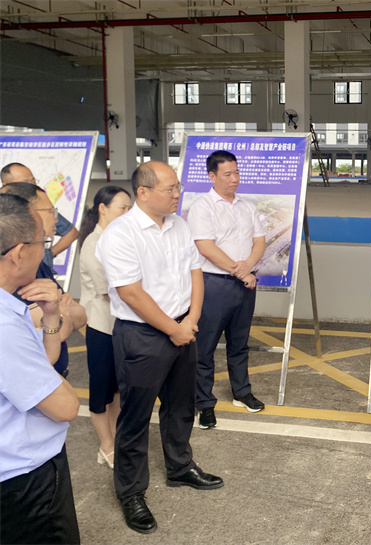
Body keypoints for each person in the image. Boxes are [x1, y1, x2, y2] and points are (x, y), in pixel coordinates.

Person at [96, 161, 223, 535]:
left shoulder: (180, 225)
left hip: (184, 327)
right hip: (143, 335)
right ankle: (131, 492)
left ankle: (180, 468)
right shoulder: (120, 234)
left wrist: (190, 321)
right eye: (170, 188)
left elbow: (194, 273)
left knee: (181, 405)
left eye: (178, 187)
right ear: (143, 192)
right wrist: (173, 329)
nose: (177, 193)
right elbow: (131, 293)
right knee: (135, 418)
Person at [0, 193, 81, 545]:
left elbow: (43, 360)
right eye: (43, 242)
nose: (45, 248)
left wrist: (50, 316)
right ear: (18, 252)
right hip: (23, 483)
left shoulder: (11, 308)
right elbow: (65, 407)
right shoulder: (3, 326)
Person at [187, 149, 266, 429]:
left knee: (239, 342)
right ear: (212, 176)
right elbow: (205, 246)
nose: (234, 179)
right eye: (227, 174)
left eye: (236, 172)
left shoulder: (247, 206)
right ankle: (204, 403)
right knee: (205, 346)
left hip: (245, 283)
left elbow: (260, 241)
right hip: (214, 284)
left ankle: (242, 392)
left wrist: (249, 268)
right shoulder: (202, 207)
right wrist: (240, 270)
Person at [0, 182, 87, 377]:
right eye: (50, 211)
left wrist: (53, 316)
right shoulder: (12, 282)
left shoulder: (38, 266)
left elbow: (80, 314)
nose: (56, 219)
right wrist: (57, 315)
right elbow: (60, 331)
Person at [78, 186, 132, 470]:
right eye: (122, 207)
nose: (127, 213)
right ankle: (106, 446)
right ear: (103, 208)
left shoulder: (117, 238)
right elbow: (110, 290)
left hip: (118, 324)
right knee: (101, 389)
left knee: (117, 389)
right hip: (100, 325)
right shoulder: (92, 243)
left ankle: (116, 439)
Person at [1, 162, 79, 273]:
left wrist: (49, 254)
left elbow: (71, 232)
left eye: (33, 181)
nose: (32, 186)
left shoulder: (41, 204)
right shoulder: (4, 213)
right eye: (25, 183)